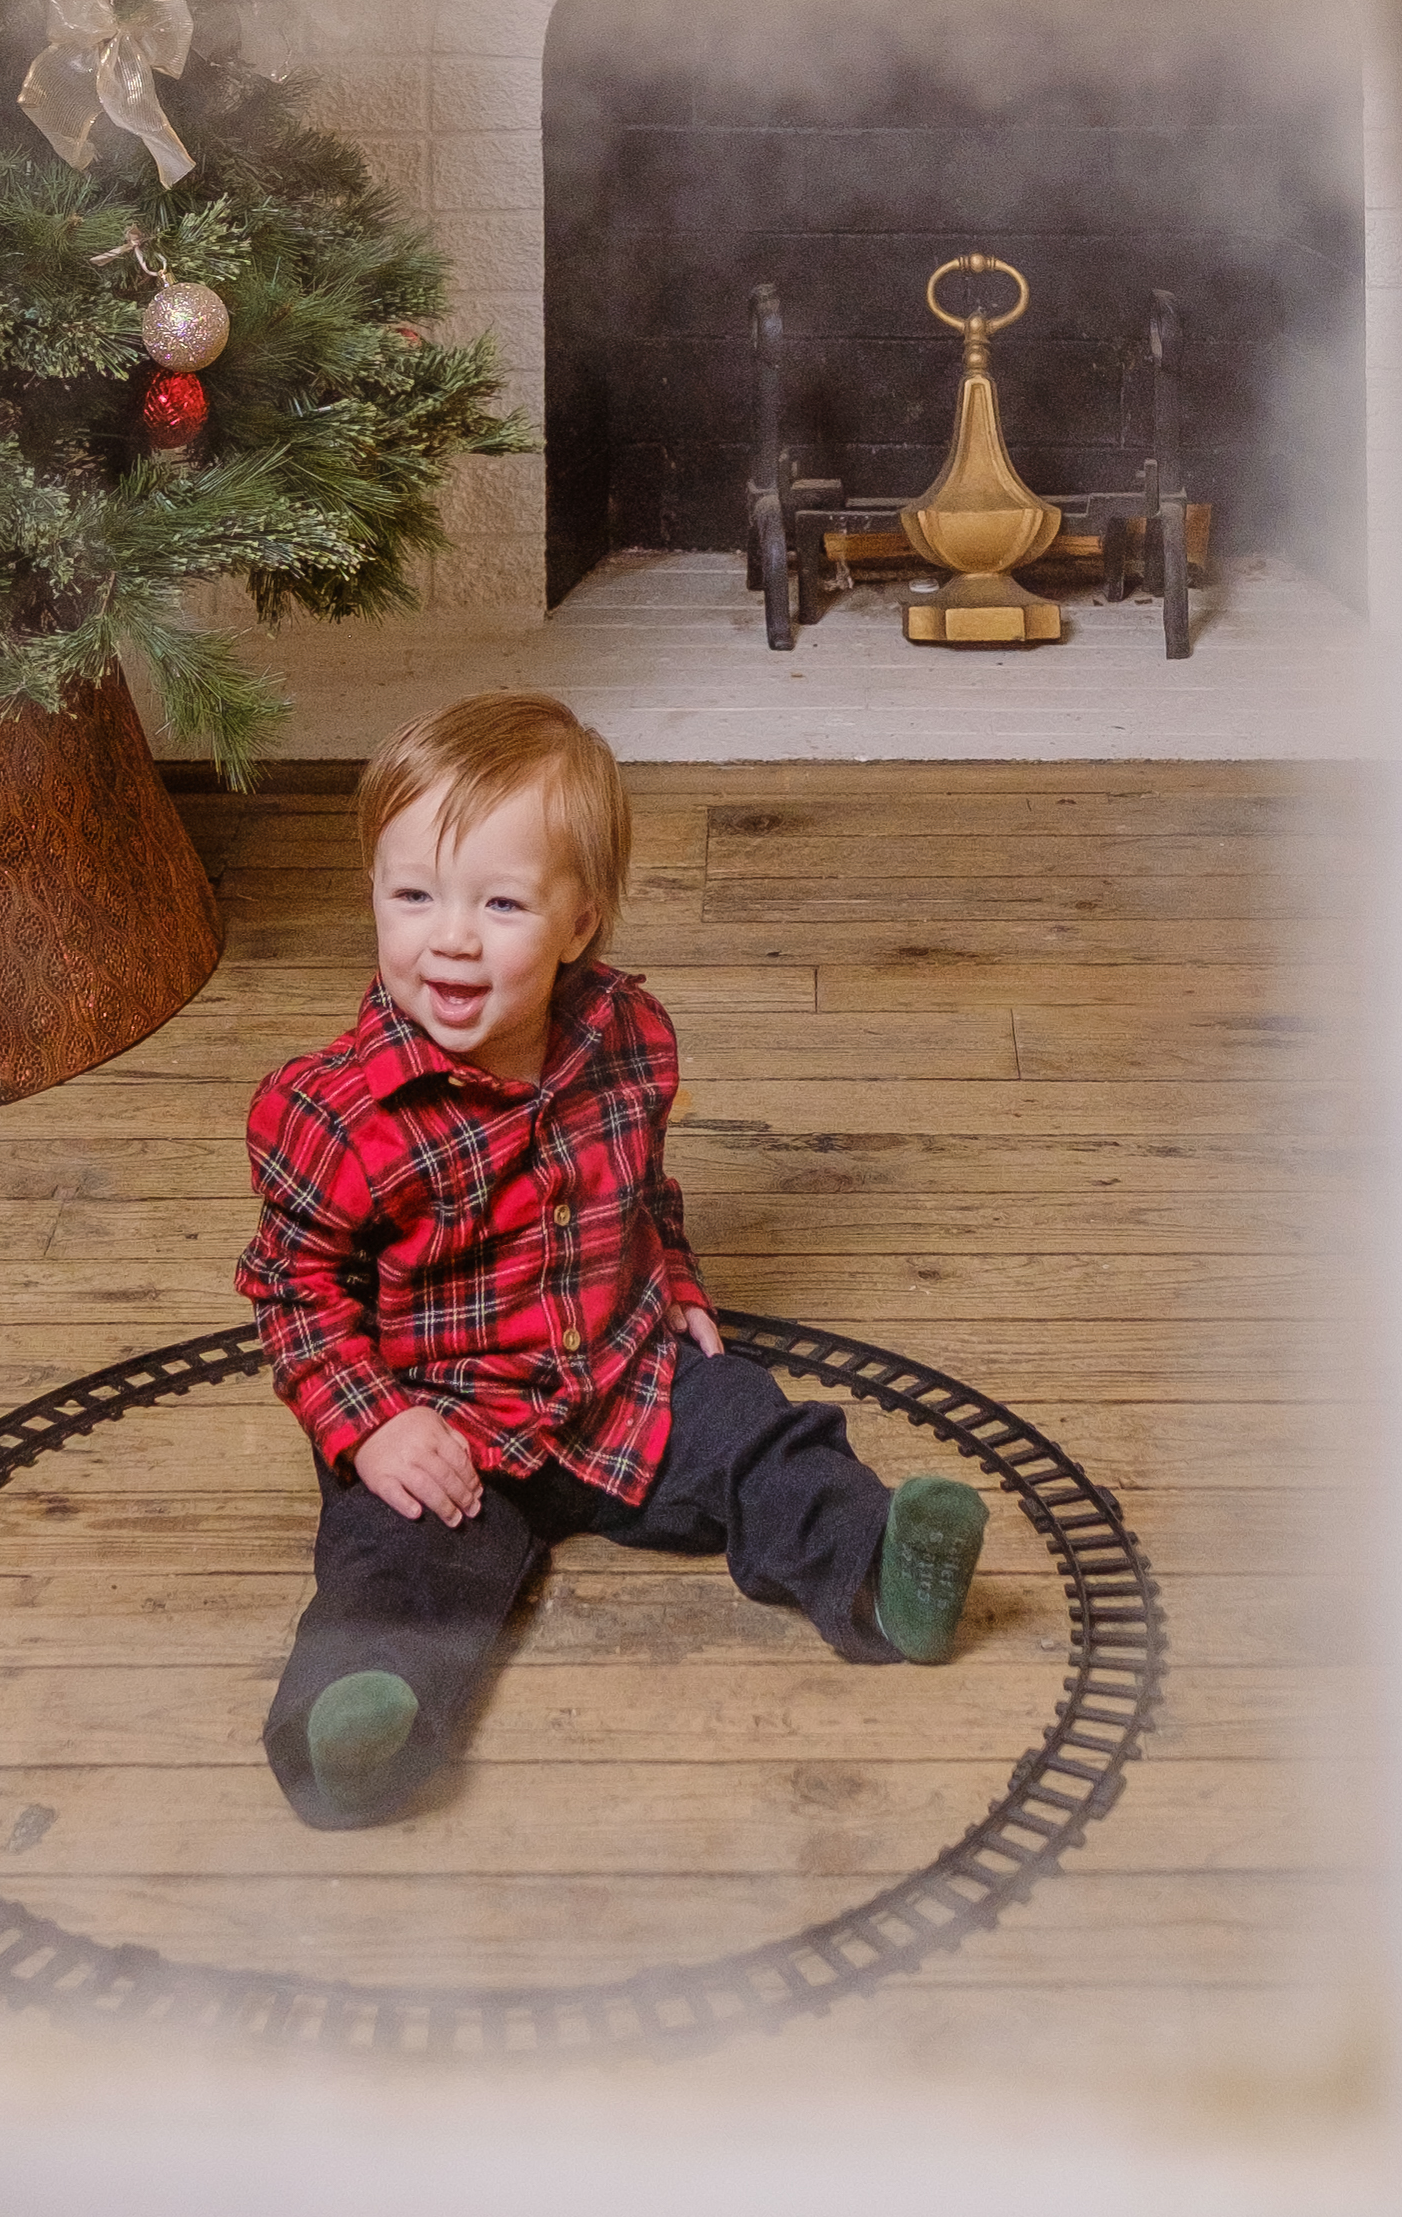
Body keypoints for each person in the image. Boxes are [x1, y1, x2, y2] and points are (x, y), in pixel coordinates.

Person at [237, 690, 989, 1829]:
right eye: (413, 895)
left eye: (499, 901)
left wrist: (674, 1275)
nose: (449, 935)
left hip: (619, 1378)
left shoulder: (626, 1036)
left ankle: (880, 1576)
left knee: (758, 1430)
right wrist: (373, 1422)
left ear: (579, 921)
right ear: (373, 897)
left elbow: (636, 1183)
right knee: (390, 1570)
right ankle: (356, 1726)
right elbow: (294, 1292)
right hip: (444, 1424)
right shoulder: (334, 1114)